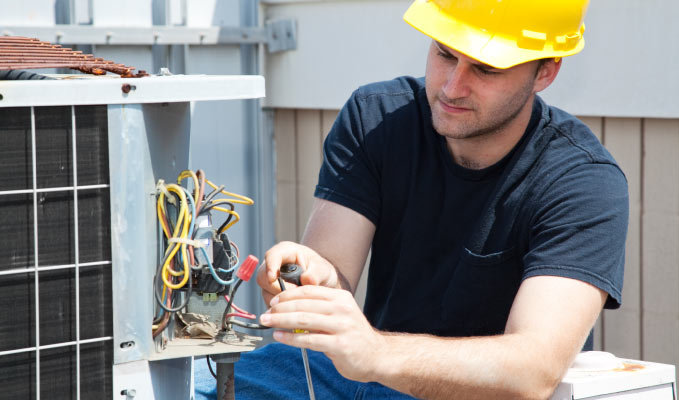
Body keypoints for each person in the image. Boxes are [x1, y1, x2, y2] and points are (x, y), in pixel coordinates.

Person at [195, 0, 628, 398]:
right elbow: (335, 277)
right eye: (444, 53)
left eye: (486, 69)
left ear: (546, 72)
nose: (452, 87)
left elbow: (534, 370)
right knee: (187, 383)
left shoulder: (583, 181)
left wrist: (375, 353)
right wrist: (314, 277)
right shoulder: (376, 118)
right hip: (361, 377)